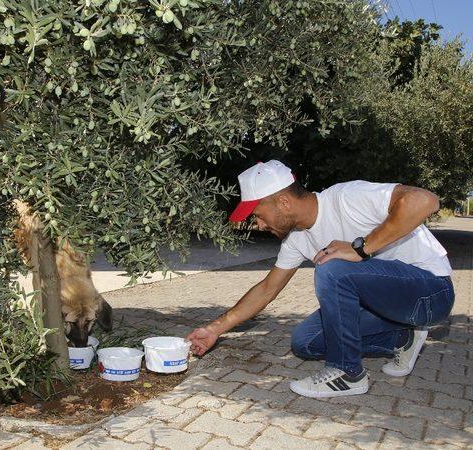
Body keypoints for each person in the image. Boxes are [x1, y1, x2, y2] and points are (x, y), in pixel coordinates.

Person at [186, 160, 455, 398]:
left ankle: (347, 373)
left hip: (431, 292)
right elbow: (267, 289)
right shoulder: (297, 239)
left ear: (283, 202)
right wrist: (214, 329)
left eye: (257, 215)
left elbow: (424, 200)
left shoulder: (346, 198)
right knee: (306, 341)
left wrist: (361, 248)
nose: (258, 225)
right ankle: (402, 338)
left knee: (331, 266)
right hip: (387, 305)